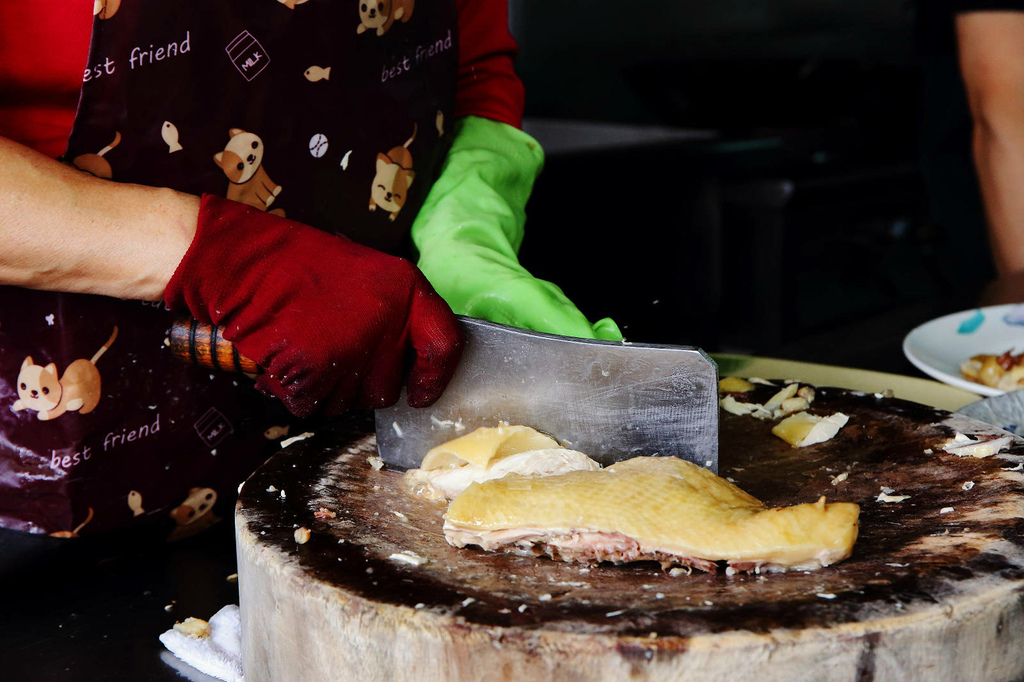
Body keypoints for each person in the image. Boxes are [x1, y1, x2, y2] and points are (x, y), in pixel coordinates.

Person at [0, 1, 618, 540]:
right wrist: (223, 257)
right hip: (46, 490)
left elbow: (476, 70)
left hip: (360, 473)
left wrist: (465, 236)